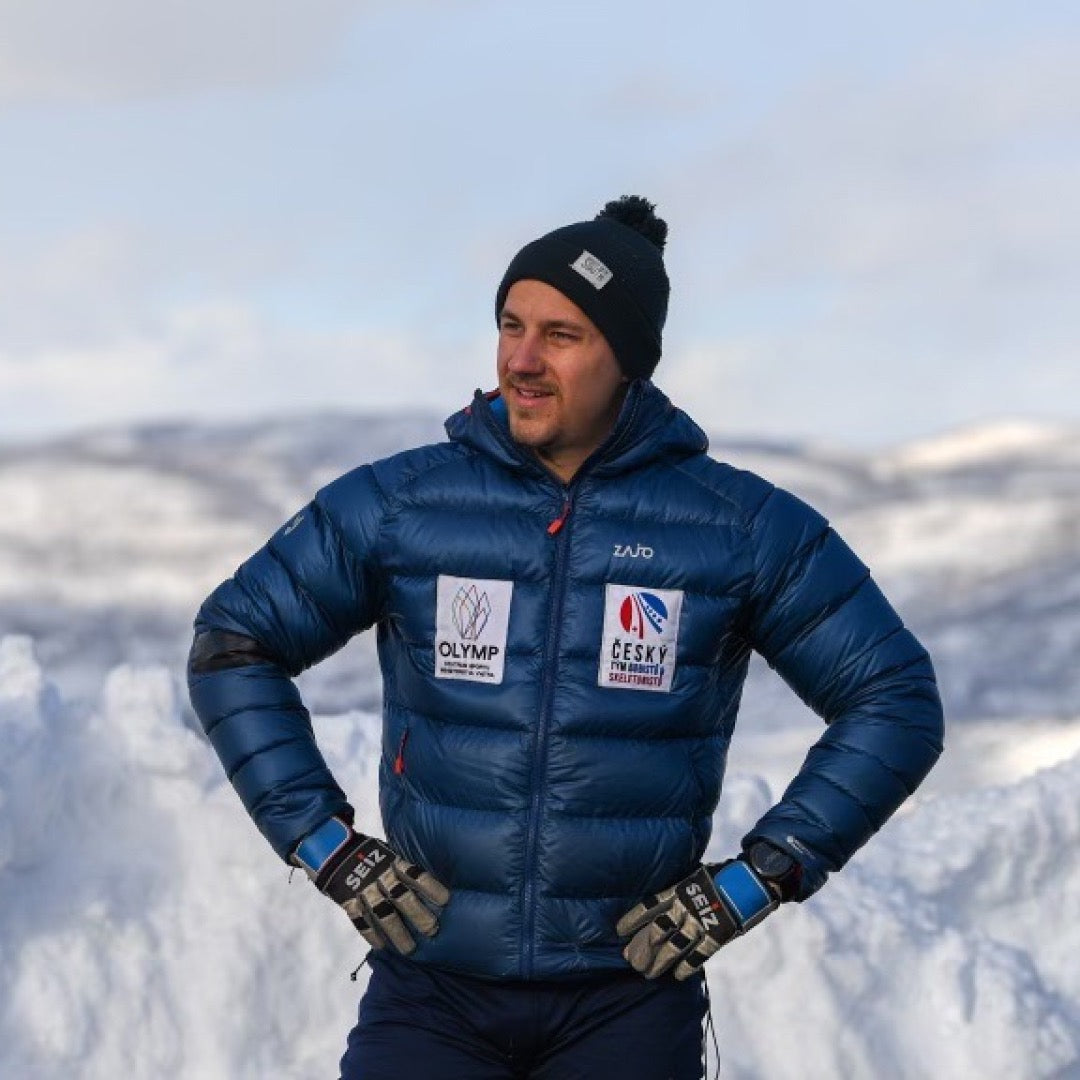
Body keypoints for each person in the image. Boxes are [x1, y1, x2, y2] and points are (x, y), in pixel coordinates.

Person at [188, 196, 944, 1079]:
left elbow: (895, 702)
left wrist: (755, 880)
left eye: (561, 334)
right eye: (510, 326)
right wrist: (325, 846)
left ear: (627, 359)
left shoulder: (737, 527)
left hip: (626, 1000)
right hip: (431, 993)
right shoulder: (406, 505)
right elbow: (233, 643)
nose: (521, 359)